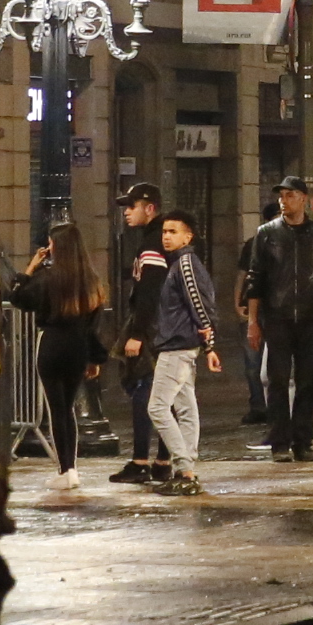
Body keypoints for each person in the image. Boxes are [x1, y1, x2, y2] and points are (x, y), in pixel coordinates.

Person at [3, 220, 112, 492]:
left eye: (51, 243)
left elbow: (17, 298)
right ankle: (71, 467)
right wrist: (94, 358)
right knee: (70, 409)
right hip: (78, 348)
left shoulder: (47, 278)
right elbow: (94, 325)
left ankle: (64, 470)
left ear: (57, 247)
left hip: (51, 344)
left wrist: (30, 267)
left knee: (56, 410)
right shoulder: (91, 280)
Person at [237, 175, 313, 461]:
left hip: (309, 318)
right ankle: (279, 442)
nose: (284, 200)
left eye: (290, 195)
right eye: (281, 196)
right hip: (277, 316)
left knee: (306, 381)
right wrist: (253, 321)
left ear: (302, 198)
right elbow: (256, 278)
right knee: (277, 380)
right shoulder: (267, 233)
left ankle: (303, 442)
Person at [143, 210, 222, 496]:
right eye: (164, 231)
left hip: (177, 346)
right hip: (182, 344)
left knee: (158, 407)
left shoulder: (185, 263)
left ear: (188, 236)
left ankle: (185, 468)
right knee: (186, 408)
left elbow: (199, 303)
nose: (166, 236)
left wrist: (209, 342)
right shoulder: (180, 263)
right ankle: (186, 471)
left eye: (173, 232)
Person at [112, 183, 168, 485]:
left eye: (131, 207)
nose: (126, 214)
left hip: (154, 328)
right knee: (165, 393)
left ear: (149, 208)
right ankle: (162, 460)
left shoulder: (153, 243)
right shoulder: (156, 237)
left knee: (145, 389)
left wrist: (137, 333)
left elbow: (149, 292)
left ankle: (143, 460)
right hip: (163, 326)